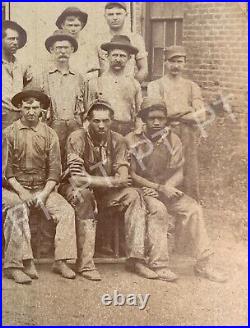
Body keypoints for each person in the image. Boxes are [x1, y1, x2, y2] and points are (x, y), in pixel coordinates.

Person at [126, 97, 227, 283]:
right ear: (144, 119)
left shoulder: (173, 139)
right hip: (142, 191)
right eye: (152, 118)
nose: (157, 122)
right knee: (159, 210)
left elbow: (179, 171)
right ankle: (159, 264)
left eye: (161, 118)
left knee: (193, 208)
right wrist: (157, 188)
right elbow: (131, 174)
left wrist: (167, 188)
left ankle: (204, 263)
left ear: (166, 120)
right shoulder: (132, 139)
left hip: (166, 188)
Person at [59, 98, 157, 281]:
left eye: (106, 120)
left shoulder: (119, 140)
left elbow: (123, 178)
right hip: (72, 190)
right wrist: (109, 181)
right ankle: (85, 263)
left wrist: (93, 180)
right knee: (84, 195)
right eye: (96, 121)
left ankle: (136, 259)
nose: (101, 125)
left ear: (112, 121)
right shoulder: (77, 138)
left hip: (105, 193)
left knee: (134, 195)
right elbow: (78, 179)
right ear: (88, 121)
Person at [2, 87, 77, 284]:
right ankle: (17, 264)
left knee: (66, 210)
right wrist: (22, 192)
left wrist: (43, 195)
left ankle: (61, 261)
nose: (31, 112)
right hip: (13, 188)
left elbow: (54, 170)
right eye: (27, 107)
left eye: (35, 107)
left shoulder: (50, 134)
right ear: (19, 108)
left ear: (42, 110)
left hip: (42, 188)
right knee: (17, 209)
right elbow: (6, 171)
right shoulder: (8, 133)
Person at [147, 45, 206, 201]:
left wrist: (173, 114)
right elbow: (156, 113)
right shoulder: (155, 85)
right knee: (163, 164)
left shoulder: (192, 87)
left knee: (189, 166)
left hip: (188, 133)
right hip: (164, 132)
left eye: (179, 61)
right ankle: (161, 198)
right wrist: (186, 112)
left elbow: (201, 116)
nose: (176, 66)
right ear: (165, 63)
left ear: (185, 63)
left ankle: (191, 200)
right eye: (171, 61)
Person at [38, 29, 85, 166]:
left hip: (74, 126)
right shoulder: (43, 76)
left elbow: (85, 106)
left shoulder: (79, 77)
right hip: (51, 125)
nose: (62, 51)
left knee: (73, 160)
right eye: (58, 48)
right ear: (52, 50)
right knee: (52, 161)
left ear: (72, 50)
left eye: (66, 48)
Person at [85, 35, 142, 136]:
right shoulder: (96, 83)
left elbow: (139, 113)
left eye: (122, 56)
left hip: (127, 130)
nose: (118, 59)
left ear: (129, 58)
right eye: (115, 55)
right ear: (107, 56)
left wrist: (137, 131)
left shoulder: (134, 84)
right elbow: (88, 114)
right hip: (102, 131)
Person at [96, 2, 148, 83]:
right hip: (105, 88)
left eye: (118, 14)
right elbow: (94, 70)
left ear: (126, 15)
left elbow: (144, 69)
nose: (115, 18)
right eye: (110, 14)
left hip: (128, 87)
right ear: (105, 16)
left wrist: (132, 86)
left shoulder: (136, 39)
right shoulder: (99, 40)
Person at [2, 20, 32, 130]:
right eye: (11, 39)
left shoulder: (21, 66)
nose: (15, 42)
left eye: (17, 39)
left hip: (18, 120)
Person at [55, 6, 99, 79]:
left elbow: (95, 72)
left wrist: (81, 80)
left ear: (81, 26)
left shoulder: (89, 46)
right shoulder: (56, 45)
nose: (73, 29)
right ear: (62, 25)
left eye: (76, 25)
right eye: (70, 25)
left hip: (83, 83)